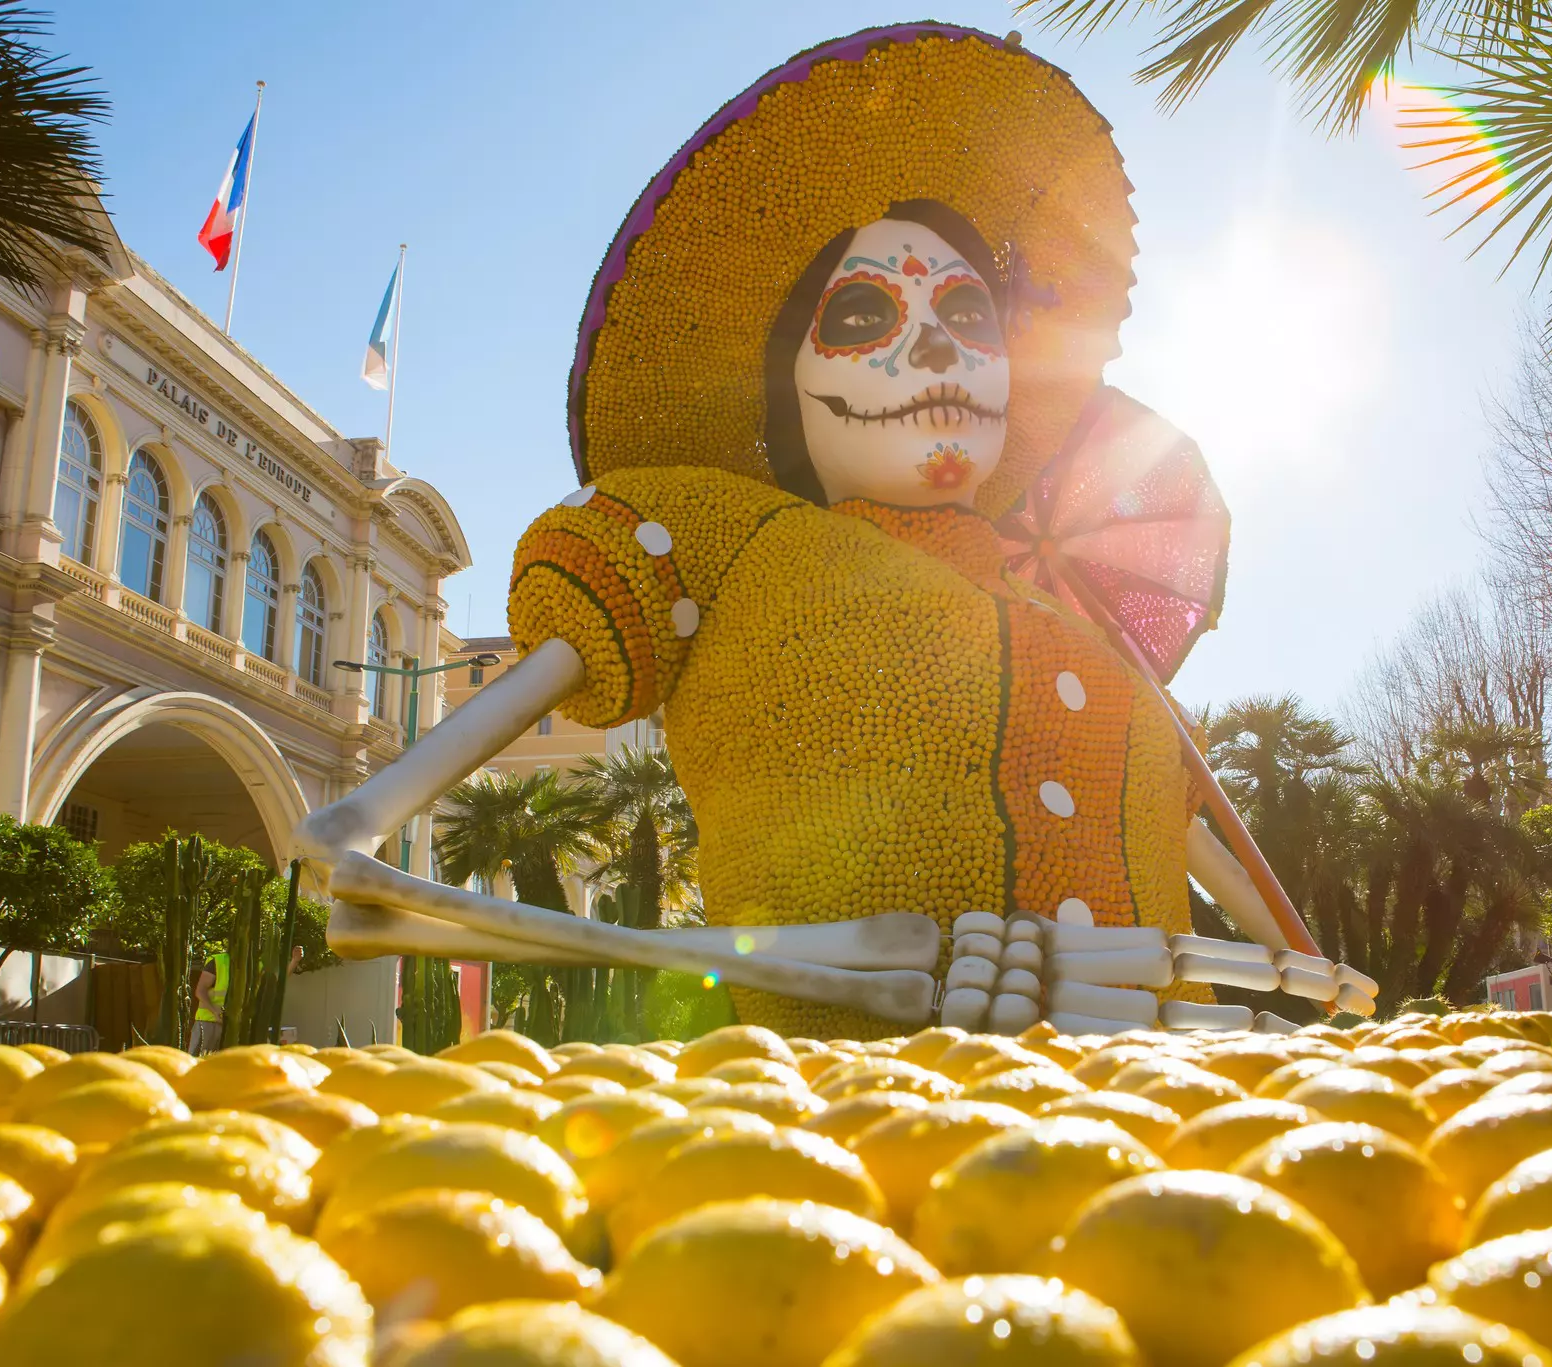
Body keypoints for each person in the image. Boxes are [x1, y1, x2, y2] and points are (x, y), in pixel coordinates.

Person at [501, 23, 1221, 1038]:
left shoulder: (1076, 629)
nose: (938, 350)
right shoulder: (732, 540)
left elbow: (1227, 897)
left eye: (970, 315)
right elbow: (375, 830)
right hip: (849, 1135)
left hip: (1164, 1134)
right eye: (860, 319)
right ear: (784, 379)